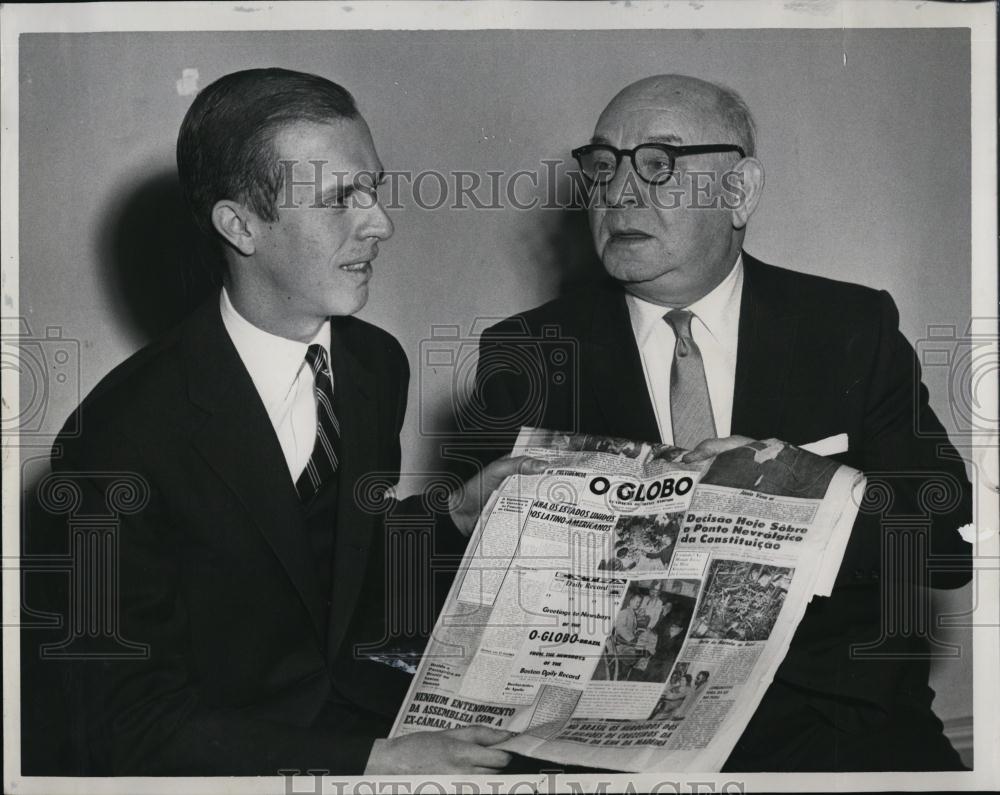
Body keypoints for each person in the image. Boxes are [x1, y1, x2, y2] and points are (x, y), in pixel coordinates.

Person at [37, 68, 542, 776]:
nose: (381, 224)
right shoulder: (117, 438)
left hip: (368, 714)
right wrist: (372, 762)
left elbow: (329, 577)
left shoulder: (374, 365)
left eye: (374, 189)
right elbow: (127, 724)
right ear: (239, 225)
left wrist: (453, 514)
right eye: (341, 199)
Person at [472, 74, 973, 770]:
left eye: (658, 163)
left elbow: (946, 542)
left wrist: (802, 491)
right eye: (603, 165)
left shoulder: (852, 326)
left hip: (834, 727)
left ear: (739, 193)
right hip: (608, 745)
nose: (619, 192)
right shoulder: (525, 352)